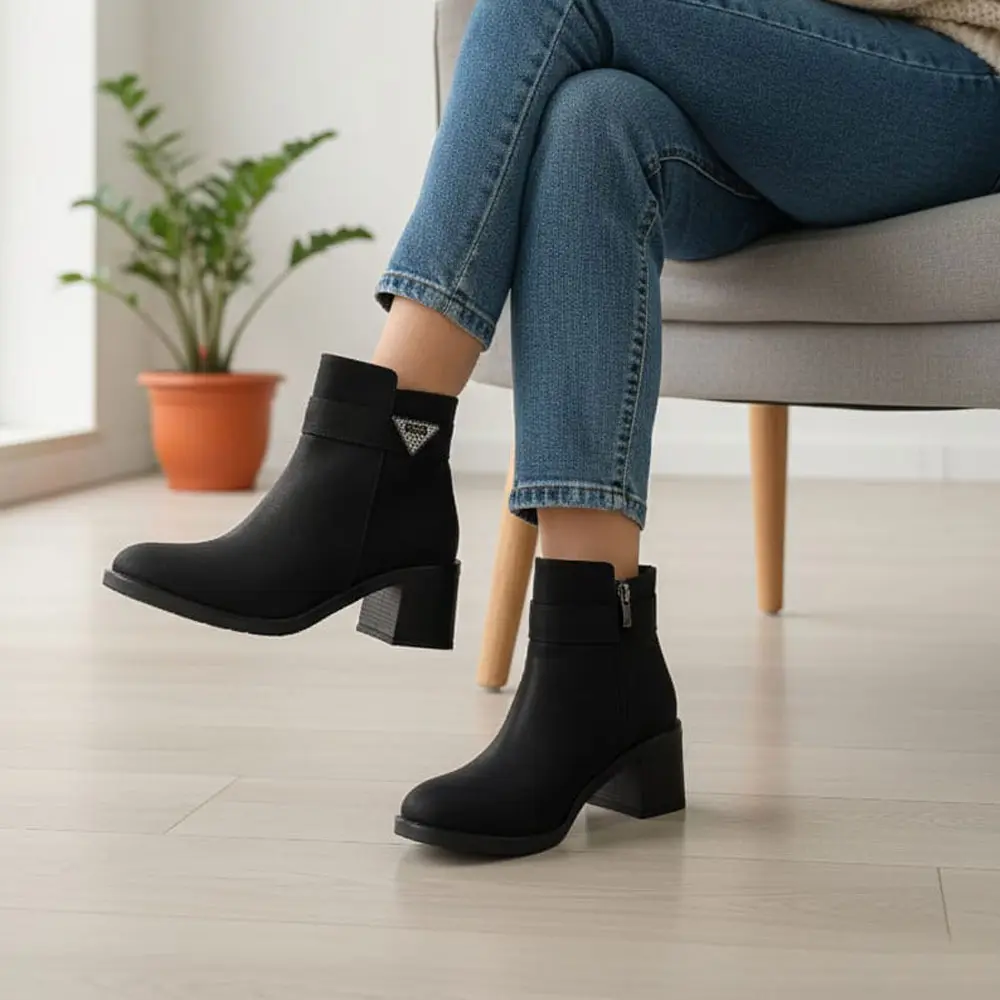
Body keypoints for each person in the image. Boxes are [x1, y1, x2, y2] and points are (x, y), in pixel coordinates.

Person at [103, 0, 1000, 858]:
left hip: (953, 85)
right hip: (764, 92)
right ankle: (596, 664)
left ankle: (380, 459)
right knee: (593, 121)